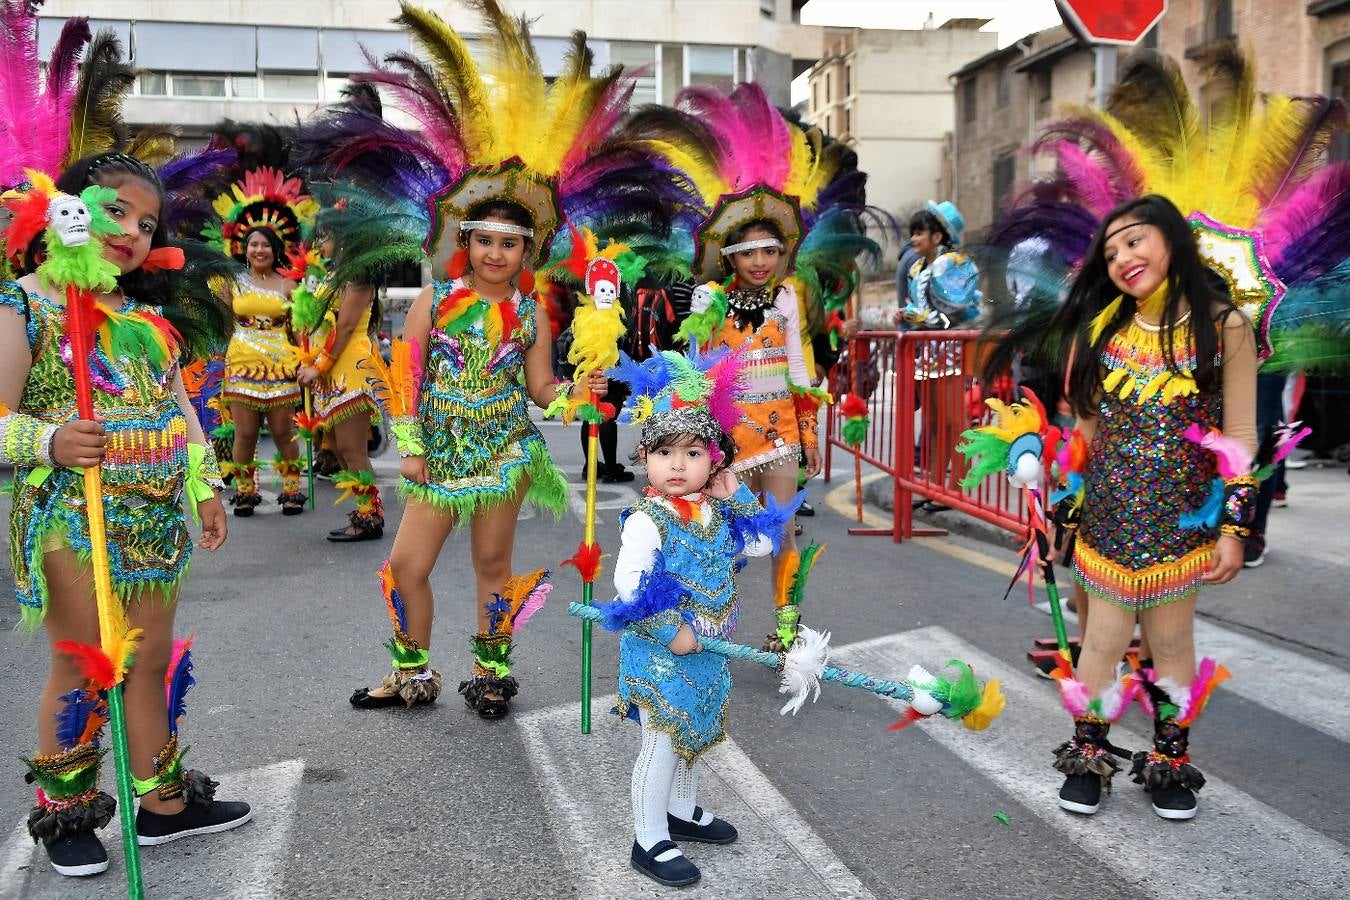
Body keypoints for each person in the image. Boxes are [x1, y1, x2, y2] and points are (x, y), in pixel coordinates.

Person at [295, 2, 664, 719]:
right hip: (437, 453)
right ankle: (410, 673)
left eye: (511, 242)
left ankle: (491, 672)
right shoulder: (436, 299)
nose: (497, 252)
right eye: (485, 239)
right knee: (406, 566)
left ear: (529, 252)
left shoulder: (532, 312)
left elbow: (539, 387)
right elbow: (402, 375)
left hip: (501, 452)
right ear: (466, 242)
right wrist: (410, 448)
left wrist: (575, 397)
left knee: (493, 566)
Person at [1, 152, 251, 877]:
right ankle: (67, 810)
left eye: (146, 224)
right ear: (66, 206)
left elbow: (184, 415)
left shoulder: (146, 320)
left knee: (148, 663)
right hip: (68, 518)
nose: (132, 232)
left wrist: (204, 487)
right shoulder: (23, 303)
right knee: (83, 664)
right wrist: (49, 440)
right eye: (116, 211)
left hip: (154, 522)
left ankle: (164, 804)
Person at [994, 195, 1254, 821]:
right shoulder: (1104, 329)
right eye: (1110, 252)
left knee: (1171, 646)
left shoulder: (1225, 327)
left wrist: (1235, 526)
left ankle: (1168, 763)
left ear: (1171, 240)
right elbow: (1085, 432)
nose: (1121, 258)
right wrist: (1063, 504)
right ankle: (1089, 756)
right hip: (1108, 521)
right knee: (1101, 643)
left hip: (1182, 527)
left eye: (1134, 241)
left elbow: (1242, 437)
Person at [599, 347, 797, 887]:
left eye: (693, 452)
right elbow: (628, 587)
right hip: (662, 653)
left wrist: (734, 495)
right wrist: (674, 631)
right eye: (665, 453)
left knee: (697, 731)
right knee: (661, 740)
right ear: (646, 459)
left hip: (709, 649)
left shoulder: (715, 509)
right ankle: (648, 837)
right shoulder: (647, 519)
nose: (679, 465)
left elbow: (760, 544)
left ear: (715, 460)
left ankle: (682, 812)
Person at [213, 168, 316, 516]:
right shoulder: (232, 281)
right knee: (244, 435)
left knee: (284, 433)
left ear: (276, 250)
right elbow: (224, 322)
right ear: (245, 247)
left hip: (281, 365)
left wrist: (306, 362)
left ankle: (290, 489)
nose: (259, 250)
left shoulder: (289, 285)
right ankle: (244, 491)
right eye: (254, 244)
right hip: (242, 363)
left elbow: (301, 329)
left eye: (266, 245)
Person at [293, 235, 387, 541]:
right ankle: (363, 513)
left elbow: (345, 327)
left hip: (349, 368)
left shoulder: (358, 276)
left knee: (351, 448)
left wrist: (318, 366)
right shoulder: (334, 274)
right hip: (330, 369)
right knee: (339, 448)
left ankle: (369, 517)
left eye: (326, 235)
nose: (321, 241)